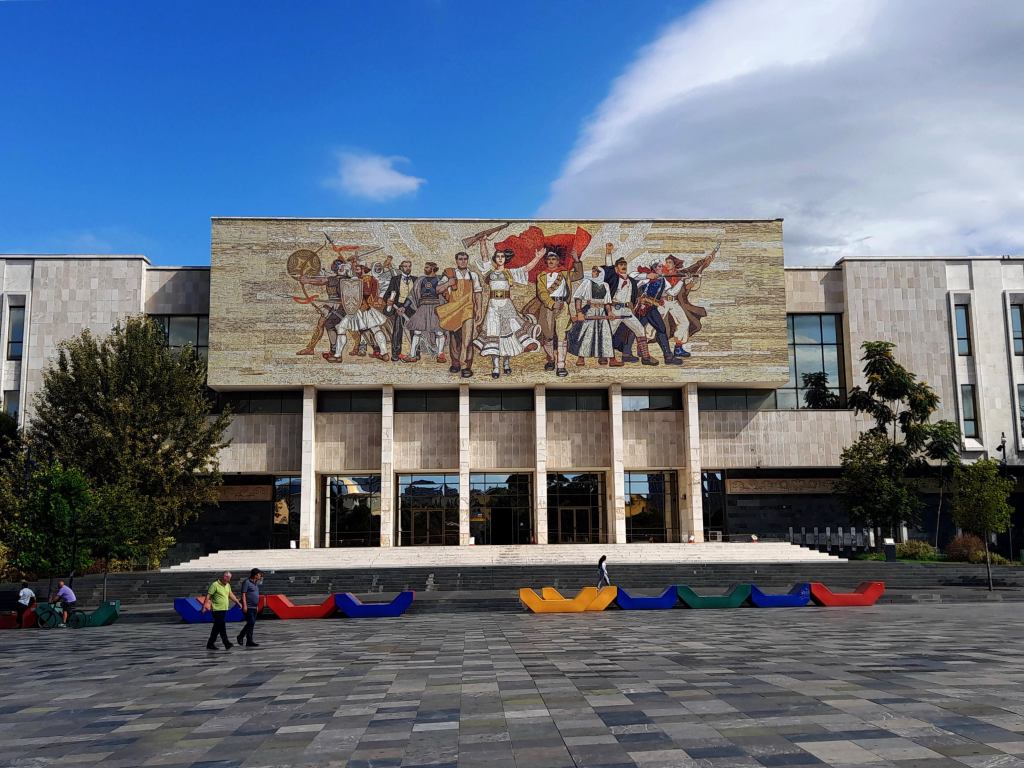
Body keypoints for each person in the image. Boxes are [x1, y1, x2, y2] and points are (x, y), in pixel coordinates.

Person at [472, 242, 545, 379]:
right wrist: (482, 241)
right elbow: (484, 255)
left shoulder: (510, 273)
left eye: (502, 256)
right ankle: (495, 367)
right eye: (498, 256)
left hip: (507, 306)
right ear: (495, 259)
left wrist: (537, 258)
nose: (500, 258)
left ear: (506, 259)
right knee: (494, 334)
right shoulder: (490, 272)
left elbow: (526, 268)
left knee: (509, 335)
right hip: (493, 307)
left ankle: (506, 363)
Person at [524, 249, 583, 377]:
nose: (551, 261)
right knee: (548, 335)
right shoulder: (541, 276)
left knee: (562, 336)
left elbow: (579, 275)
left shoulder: (565, 273)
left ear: (558, 261)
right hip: (548, 307)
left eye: (554, 259)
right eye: (549, 259)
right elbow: (542, 293)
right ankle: (551, 358)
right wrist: (551, 304)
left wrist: (576, 259)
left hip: (563, 306)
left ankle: (561, 365)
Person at [601, 245, 658, 366]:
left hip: (627, 311)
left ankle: (646, 357)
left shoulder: (631, 280)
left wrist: (649, 276)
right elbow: (609, 267)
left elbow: (637, 276)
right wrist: (608, 253)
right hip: (615, 310)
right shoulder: (614, 278)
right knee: (608, 333)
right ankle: (604, 357)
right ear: (616, 268)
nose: (623, 266)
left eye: (624, 264)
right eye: (621, 265)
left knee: (640, 330)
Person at [436, 251, 483, 377]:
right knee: (454, 338)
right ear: (456, 261)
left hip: (468, 309)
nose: (463, 261)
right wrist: (448, 283)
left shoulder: (473, 275)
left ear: (467, 260)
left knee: (467, 339)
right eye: (460, 259)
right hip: (454, 309)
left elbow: (477, 293)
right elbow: (438, 289)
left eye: (465, 259)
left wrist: (478, 309)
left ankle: (466, 365)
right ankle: (455, 363)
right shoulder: (450, 274)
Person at [566, 266, 616, 367]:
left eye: (595, 271)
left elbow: (607, 302)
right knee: (587, 333)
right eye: (593, 271)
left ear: (600, 273)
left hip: (602, 312)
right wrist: (579, 312)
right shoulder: (587, 283)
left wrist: (610, 312)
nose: (593, 273)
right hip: (590, 311)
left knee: (604, 334)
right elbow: (578, 298)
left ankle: (603, 356)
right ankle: (581, 357)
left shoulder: (605, 285)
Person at [406, 261, 448, 363]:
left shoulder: (440, 280)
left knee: (439, 332)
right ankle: (412, 355)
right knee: (417, 331)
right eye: (425, 267)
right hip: (423, 307)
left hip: (436, 307)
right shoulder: (420, 280)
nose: (425, 269)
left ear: (433, 268)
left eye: (427, 267)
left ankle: (440, 355)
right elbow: (412, 295)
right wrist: (404, 306)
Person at [383, 260, 416, 361]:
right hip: (399, 307)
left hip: (413, 308)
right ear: (401, 268)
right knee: (397, 330)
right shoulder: (395, 279)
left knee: (415, 331)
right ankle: (396, 354)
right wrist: (389, 301)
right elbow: (387, 295)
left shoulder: (416, 279)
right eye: (405, 266)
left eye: (409, 266)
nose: (408, 268)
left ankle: (416, 353)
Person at [202, 571, 242, 650]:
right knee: (222, 626)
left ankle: (210, 644)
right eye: (227, 578)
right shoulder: (215, 585)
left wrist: (237, 602)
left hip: (224, 609)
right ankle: (226, 643)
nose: (228, 580)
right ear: (223, 577)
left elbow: (230, 594)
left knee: (217, 628)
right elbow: (208, 595)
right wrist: (204, 606)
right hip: (216, 610)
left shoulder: (227, 585)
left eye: (229, 578)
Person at [236, 568, 263, 648]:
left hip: (254, 607)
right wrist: (244, 605)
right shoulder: (246, 582)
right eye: (259, 574)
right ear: (255, 575)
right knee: (251, 622)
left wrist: (257, 606)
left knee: (252, 624)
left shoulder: (255, 583)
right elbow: (243, 594)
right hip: (248, 607)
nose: (260, 576)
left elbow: (256, 595)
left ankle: (249, 641)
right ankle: (240, 636)